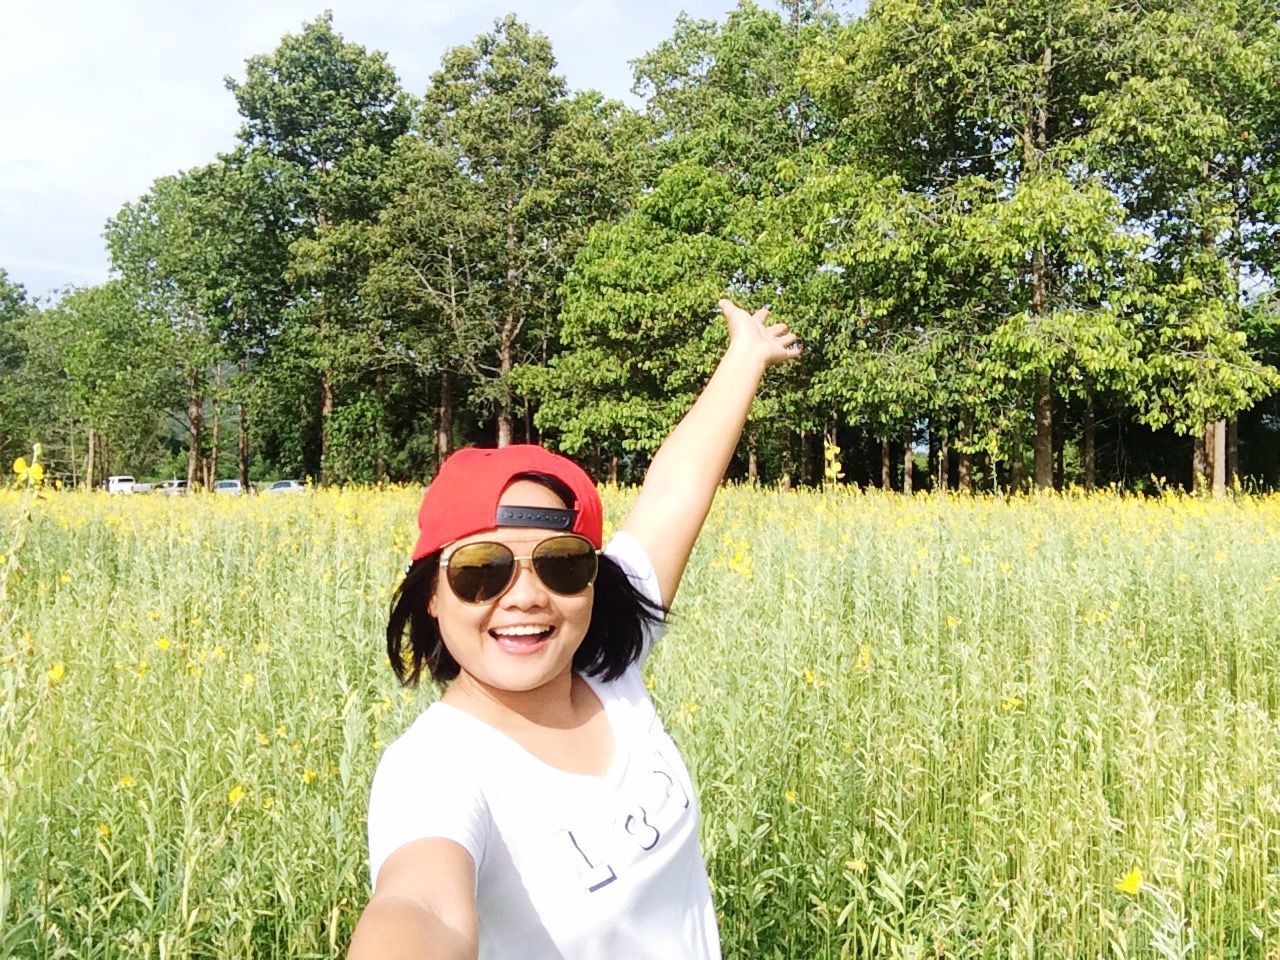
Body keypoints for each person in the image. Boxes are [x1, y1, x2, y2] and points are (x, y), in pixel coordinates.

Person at [348, 299, 800, 960]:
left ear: (593, 582)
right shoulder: (436, 769)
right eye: (482, 570)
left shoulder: (605, 668)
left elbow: (673, 493)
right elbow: (420, 907)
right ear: (433, 597)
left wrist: (745, 355)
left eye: (562, 565)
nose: (527, 597)